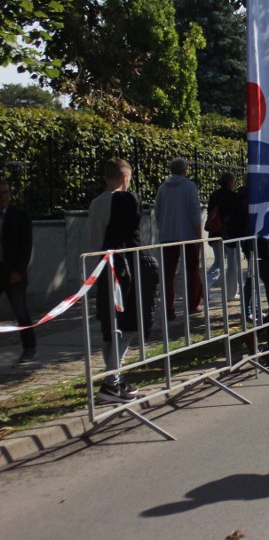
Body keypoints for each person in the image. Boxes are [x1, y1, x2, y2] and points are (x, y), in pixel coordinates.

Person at [89, 158, 160, 402]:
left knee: (111, 326)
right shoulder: (127, 200)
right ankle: (111, 382)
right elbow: (133, 236)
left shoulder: (95, 203)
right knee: (127, 323)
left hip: (103, 268)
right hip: (124, 269)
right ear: (125, 178)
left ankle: (114, 379)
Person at [155, 157, 203, 320]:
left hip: (168, 236)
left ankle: (169, 308)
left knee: (168, 274)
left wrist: (162, 229)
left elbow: (158, 212)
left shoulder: (162, 188)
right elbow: (195, 212)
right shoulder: (190, 187)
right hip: (187, 235)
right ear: (184, 170)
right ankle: (193, 304)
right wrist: (198, 236)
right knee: (192, 270)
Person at [0, 179, 36, 364]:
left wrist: (19, 270)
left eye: (6, 192)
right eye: (1, 193)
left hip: (13, 270)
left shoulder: (19, 215)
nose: (3, 197)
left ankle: (29, 348)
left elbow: (25, 245)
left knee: (21, 311)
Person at [205, 172, 239, 300]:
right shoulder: (233, 196)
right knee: (232, 264)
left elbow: (210, 212)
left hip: (214, 232)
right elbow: (234, 216)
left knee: (218, 262)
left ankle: (205, 286)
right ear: (230, 182)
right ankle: (231, 292)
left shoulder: (214, 195)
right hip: (229, 234)